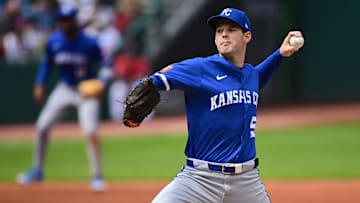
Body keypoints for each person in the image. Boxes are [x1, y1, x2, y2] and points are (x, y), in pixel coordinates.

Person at [125, 7, 304, 203]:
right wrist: (136, 100)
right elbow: (149, 83)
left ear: (247, 36)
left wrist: (280, 54)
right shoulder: (200, 69)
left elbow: (256, 78)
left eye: (231, 29)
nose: (224, 34)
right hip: (199, 180)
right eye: (219, 31)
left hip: (247, 182)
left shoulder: (250, 75)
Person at [16, 5, 111, 192]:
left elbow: (107, 64)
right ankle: (37, 171)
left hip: (85, 90)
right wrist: (39, 83)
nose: (64, 23)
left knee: (90, 130)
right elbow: (46, 65)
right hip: (65, 88)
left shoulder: (90, 42)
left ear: (75, 21)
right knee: (42, 126)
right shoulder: (54, 41)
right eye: (62, 20)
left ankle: (97, 176)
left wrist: (102, 82)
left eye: (67, 20)